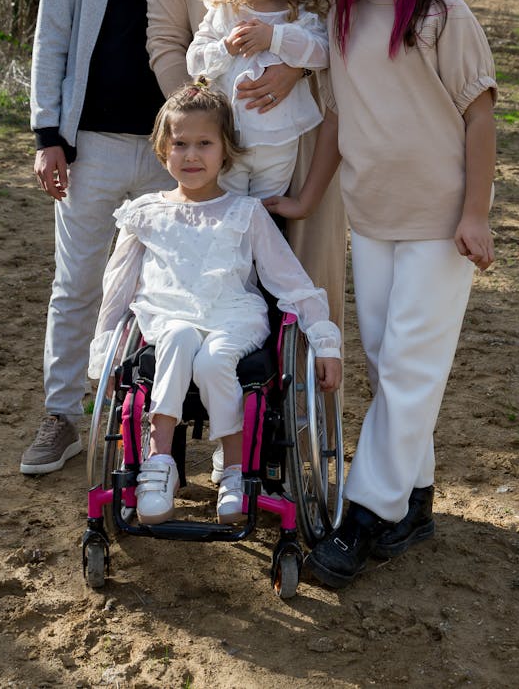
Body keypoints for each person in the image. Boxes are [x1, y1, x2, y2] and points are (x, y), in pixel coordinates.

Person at [266, 0, 497, 587]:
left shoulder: (441, 16)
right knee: (386, 362)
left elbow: (480, 112)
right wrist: (307, 199)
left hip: (438, 224)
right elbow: (339, 118)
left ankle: (363, 513)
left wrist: (476, 213)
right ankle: (414, 502)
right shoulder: (342, 18)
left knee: (409, 367)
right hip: (371, 220)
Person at [21, 0, 200, 476]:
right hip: (88, 143)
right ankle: (63, 414)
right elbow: (52, 39)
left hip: (174, 150)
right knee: (78, 286)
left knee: (168, 289)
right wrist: (47, 136)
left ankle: (157, 431)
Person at [87, 82, 342, 524]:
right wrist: (104, 356)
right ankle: (158, 462)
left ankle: (234, 468)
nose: (191, 155)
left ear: (226, 151)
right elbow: (118, 291)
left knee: (213, 360)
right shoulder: (144, 213)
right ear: (162, 149)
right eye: (179, 144)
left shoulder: (245, 213)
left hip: (234, 318)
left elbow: (292, 283)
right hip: (168, 319)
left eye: (204, 144)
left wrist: (325, 342)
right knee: (180, 337)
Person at [147, 0, 346, 327]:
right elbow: (167, 45)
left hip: (297, 142)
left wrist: (293, 68)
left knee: (305, 288)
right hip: (218, 144)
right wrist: (198, 127)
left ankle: (308, 409)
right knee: (219, 273)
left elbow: (335, 24)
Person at [185, 0, 329, 198]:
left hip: (280, 141)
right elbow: (195, 62)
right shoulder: (226, 10)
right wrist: (226, 47)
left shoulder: (298, 13)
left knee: (266, 220)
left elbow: (322, 53)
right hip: (227, 139)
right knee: (229, 214)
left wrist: (273, 37)